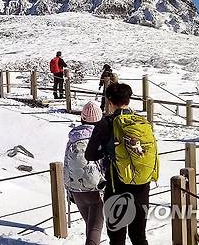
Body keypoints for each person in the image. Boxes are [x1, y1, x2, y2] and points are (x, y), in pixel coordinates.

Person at [85, 83, 159, 245]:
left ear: (109, 101)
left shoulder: (106, 123)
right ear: (128, 99)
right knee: (139, 236)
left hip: (116, 185)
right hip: (141, 185)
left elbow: (89, 154)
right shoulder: (141, 122)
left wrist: (105, 150)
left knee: (117, 238)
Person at [64, 102, 105, 245]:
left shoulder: (73, 137)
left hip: (75, 190)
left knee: (90, 225)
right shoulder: (98, 137)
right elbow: (103, 162)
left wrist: (68, 188)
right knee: (95, 228)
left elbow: (67, 162)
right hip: (94, 189)